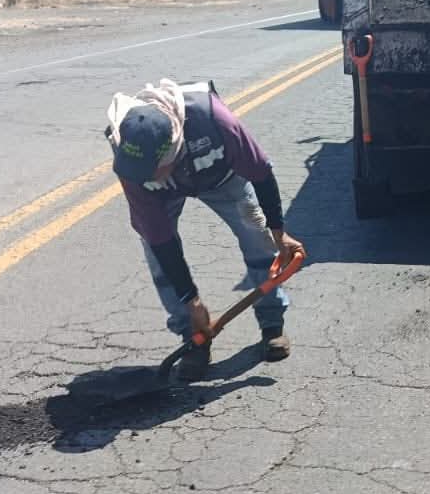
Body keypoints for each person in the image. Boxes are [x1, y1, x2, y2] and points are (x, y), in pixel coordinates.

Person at [105, 79, 304, 381]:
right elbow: (160, 238)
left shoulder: (214, 121)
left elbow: (261, 172)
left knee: (258, 240)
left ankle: (272, 324)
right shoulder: (131, 161)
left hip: (222, 178)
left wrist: (279, 232)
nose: (143, 177)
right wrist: (191, 301)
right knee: (158, 260)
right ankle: (194, 339)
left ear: (171, 152)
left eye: (151, 171)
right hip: (166, 192)